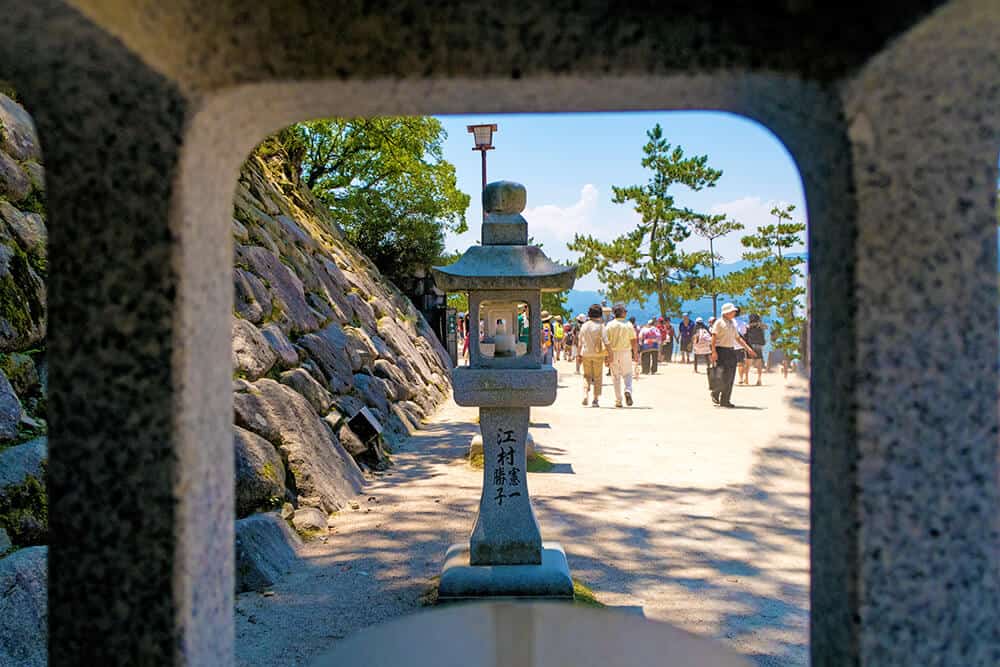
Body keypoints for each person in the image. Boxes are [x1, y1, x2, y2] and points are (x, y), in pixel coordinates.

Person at [710, 302, 756, 408]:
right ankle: (715, 393)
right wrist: (713, 352)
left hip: (731, 351)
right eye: (732, 311)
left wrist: (748, 349)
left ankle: (725, 400)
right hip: (720, 350)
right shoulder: (719, 322)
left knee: (730, 376)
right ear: (726, 312)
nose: (734, 313)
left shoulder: (732, 323)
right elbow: (714, 337)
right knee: (722, 375)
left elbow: (738, 338)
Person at [604, 304, 638, 408]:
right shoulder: (628, 324)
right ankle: (627, 390)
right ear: (622, 313)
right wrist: (636, 354)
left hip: (613, 352)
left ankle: (618, 400)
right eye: (625, 311)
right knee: (627, 374)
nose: (626, 312)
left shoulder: (609, 325)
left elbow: (606, 342)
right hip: (626, 351)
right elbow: (633, 341)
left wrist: (606, 356)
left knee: (615, 376)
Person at [577, 305, 606, 407]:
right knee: (597, 377)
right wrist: (610, 354)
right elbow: (606, 342)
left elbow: (580, 342)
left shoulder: (584, 326)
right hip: (598, 354)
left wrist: (578, 355)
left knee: (586, 375)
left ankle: (585, 394)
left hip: (586, 353)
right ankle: (595, 399)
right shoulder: (601, 326)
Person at [744, 313, 767, 386]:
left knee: (748, 363)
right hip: (758, 345)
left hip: (750, 345)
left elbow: (745, 335)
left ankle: (746, 379)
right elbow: (766, 328)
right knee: (759, 364)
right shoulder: (761, 326)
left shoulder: (748, 326)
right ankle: (759, 379)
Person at [734, 307, 750, 384]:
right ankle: (740, 378)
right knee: (740, 363)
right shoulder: (743, 323)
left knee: (730, 364)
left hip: (729, 345)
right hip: (740, 346)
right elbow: (744, 334)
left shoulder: (728, 322)